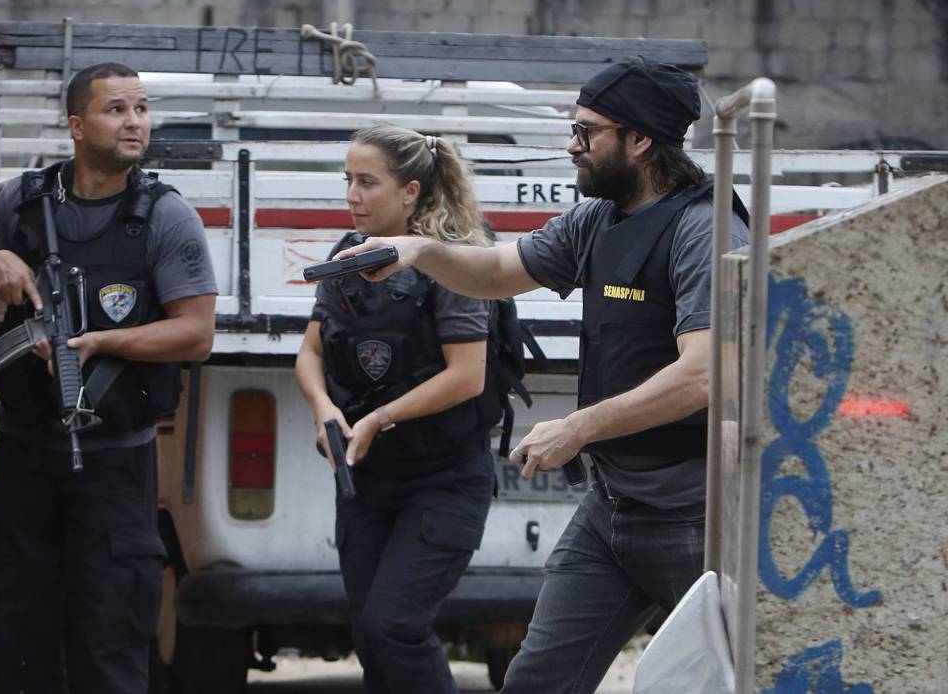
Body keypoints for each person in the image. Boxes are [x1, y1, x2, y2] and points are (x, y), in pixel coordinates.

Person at [335, 56, 751, 694]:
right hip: (613, 510)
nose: (572, 145)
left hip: (696, 518)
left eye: (587, 132)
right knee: (536, 683)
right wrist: (418, 249)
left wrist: (577, 428)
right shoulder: (599, 218)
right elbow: (498, 271)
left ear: (638, 140)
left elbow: (707, 376)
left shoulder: (703, 228)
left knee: (740, 682)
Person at [0, 62, 217, 694]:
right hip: (24, 459)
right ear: (76, 125)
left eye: (142, 110)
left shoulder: (164, 216)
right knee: (16, 644)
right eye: (116, 109)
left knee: (110, 646)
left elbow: (196, 334)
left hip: (115, 469)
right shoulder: (22, 201)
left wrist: (98, 342)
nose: (134, 123)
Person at [295, 124, 503, 694]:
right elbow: (310, 353)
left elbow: (467, 376)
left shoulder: (452, 261)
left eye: (367, 182)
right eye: (347, 181)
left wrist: (379, 418)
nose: (352, 195)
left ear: (410, 192)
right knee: (371, 637)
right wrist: (323, 408)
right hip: (368, 482)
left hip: (443, 480)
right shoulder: (347, 254)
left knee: (396, 627)